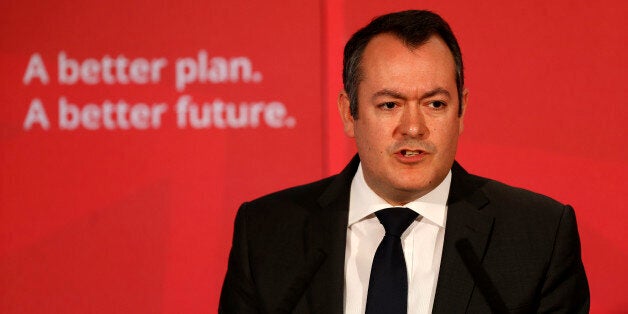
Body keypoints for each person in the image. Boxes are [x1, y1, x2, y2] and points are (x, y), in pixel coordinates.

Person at [219, 10, 589, 314]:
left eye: (435, 104)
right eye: (390, 105)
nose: (413, 128)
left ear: (461, 112)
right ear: (349, 113)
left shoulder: (538, 236)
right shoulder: (268, 233)